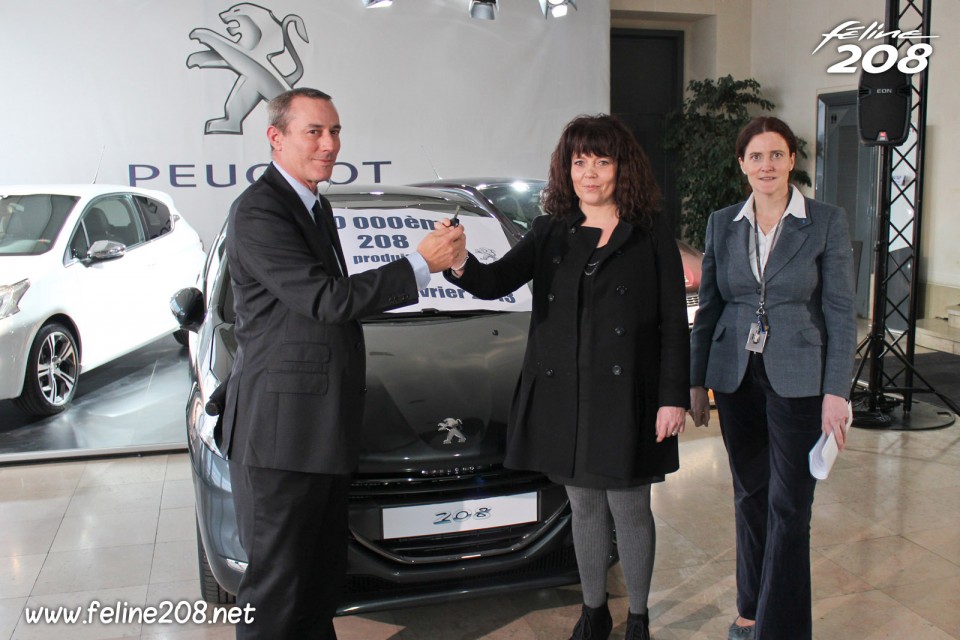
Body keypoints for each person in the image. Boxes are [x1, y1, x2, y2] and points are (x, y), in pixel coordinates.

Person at [220, 87, 464, 639]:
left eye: (335, 131)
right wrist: (419, 265)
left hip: (317, 431)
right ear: (275, 138)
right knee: (277, 593)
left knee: (317, 583)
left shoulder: (314, 204)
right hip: (281, 438)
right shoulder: (260, 212)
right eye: (314, 132)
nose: (329, 144)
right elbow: (326, 300)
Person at [443, 114, 690, 640]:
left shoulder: (650, 234)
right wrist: (459, 261)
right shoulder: (549, 231)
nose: (591, 173)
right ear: (566, 168)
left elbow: (673, 321)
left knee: (629, 507)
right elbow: (494, 282)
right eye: (581, 162)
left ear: (622, 169)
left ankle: (639, 617)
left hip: (628, 396)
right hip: (566, 395)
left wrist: (672, 398)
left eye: (602, 161)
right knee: (583, 507)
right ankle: (594, 610)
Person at [688, 116, 856, 640]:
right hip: (735, 376)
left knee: (790, 505)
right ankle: (749, 608)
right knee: (750, 495)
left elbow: (841, 312)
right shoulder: (722, 223)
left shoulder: (824, 221)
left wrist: (837, 392)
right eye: (756, 156)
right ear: (742, 164)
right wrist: (696, 380)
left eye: (777, 155)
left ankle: (780, 628)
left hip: (801, 377)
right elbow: (709, 305)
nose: (767, 165)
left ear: (791, 162)